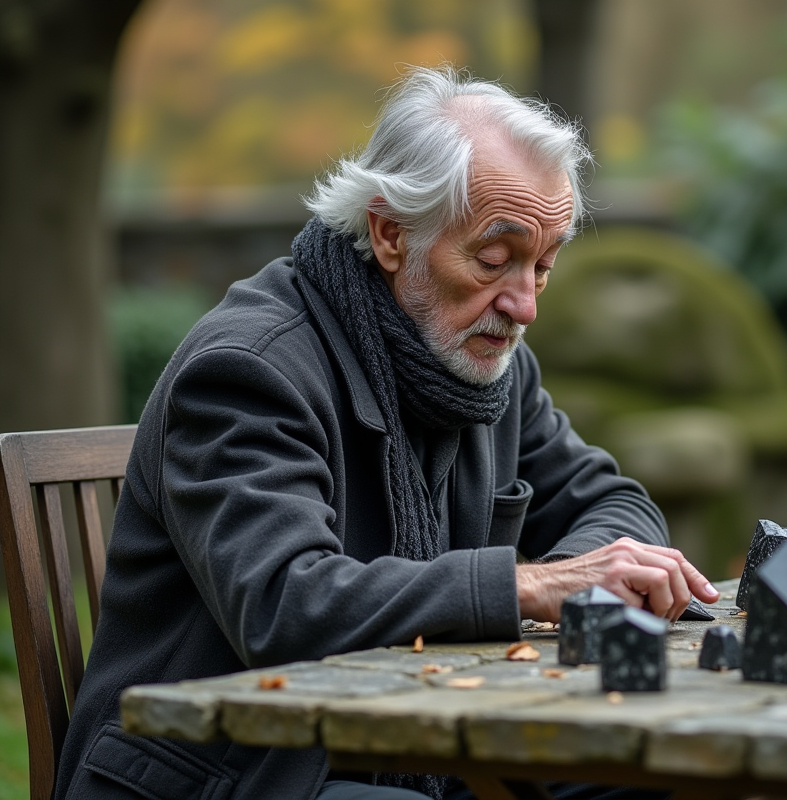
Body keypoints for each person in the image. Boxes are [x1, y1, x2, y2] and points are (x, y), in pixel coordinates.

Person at [53, 67, 718, 800]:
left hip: (415, 743)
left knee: (676, 776)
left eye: (544, 266)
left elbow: (613, 504)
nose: (524, 304)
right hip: (226, 771)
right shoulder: (248, 369)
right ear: (391, 233)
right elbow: (284, 603)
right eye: (494, 261)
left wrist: (579, 583)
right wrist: (527, 587)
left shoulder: (491, 362)